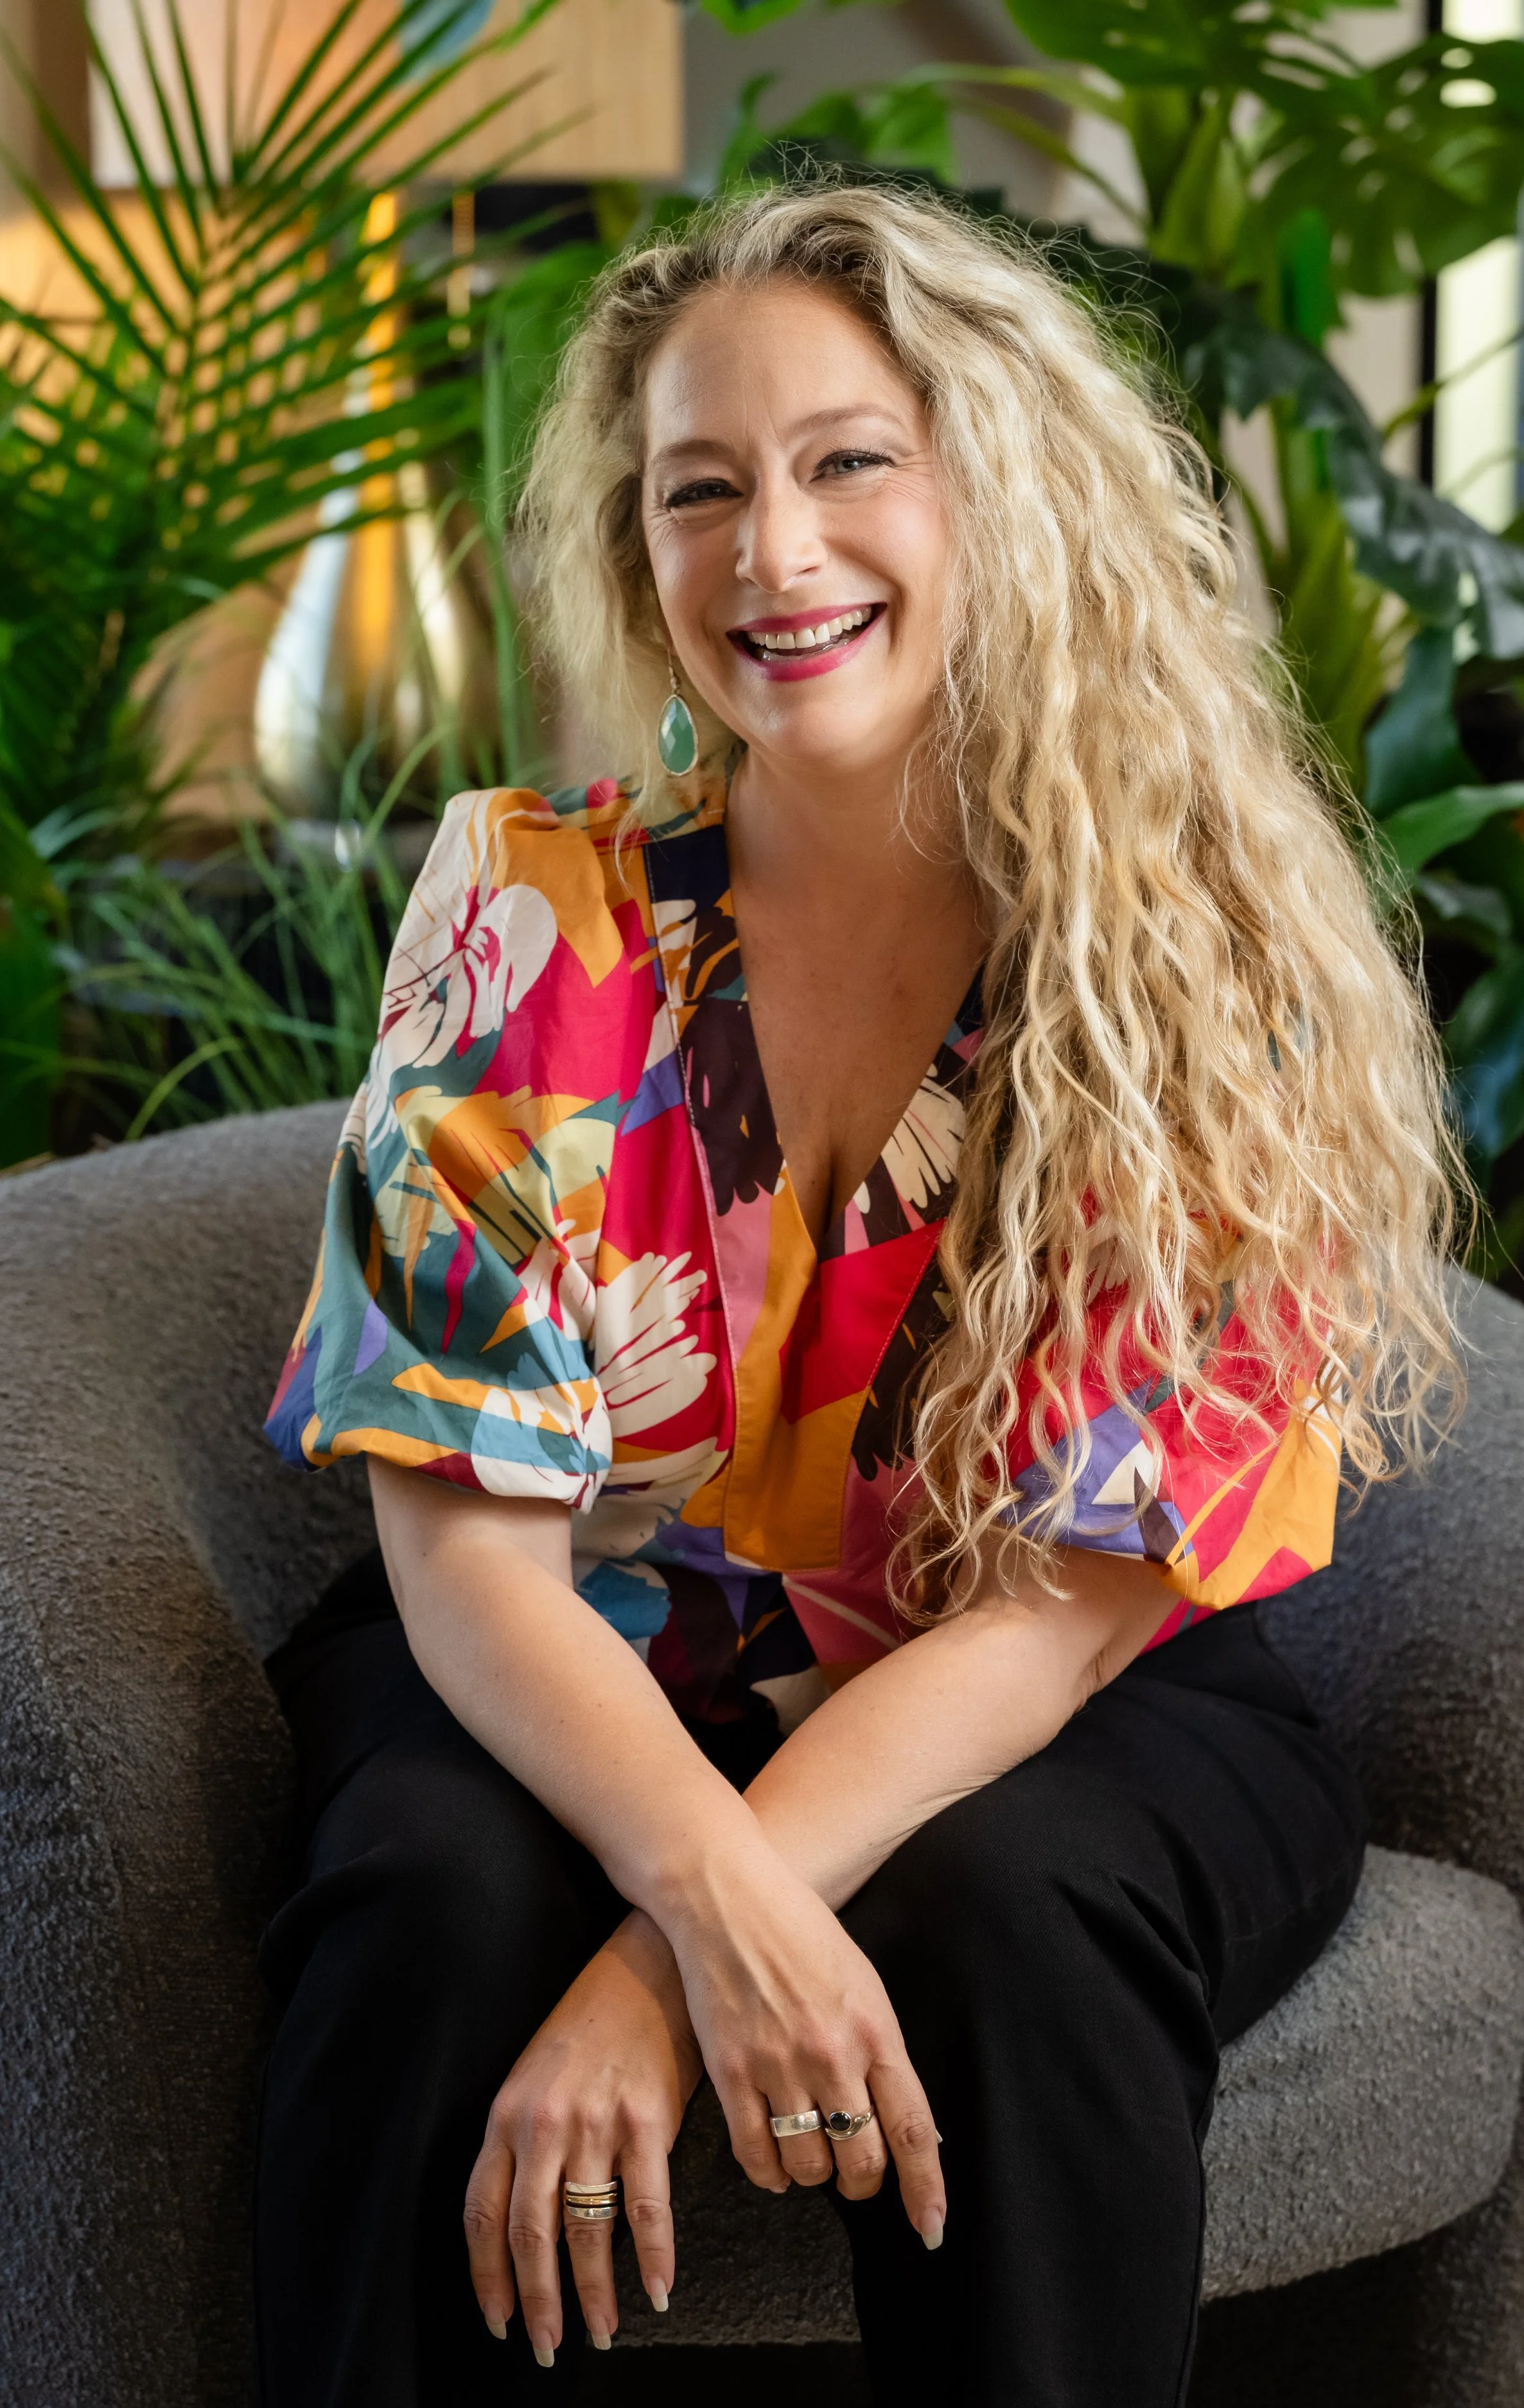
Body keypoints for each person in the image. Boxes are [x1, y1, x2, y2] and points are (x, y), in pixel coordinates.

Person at [258, 180, 1460, 2408]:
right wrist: (711, 1890)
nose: (770, 556)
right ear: (640, 554)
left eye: (846, 464)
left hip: (1056, 1680)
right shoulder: (531, 902)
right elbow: (458, 1536)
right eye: (697, 490)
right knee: (426, 1899)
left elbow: (1059, 1611)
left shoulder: (1192, 964)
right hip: (583, 1645)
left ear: (996, 497)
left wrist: (652, 1962)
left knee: (1005, 1918)